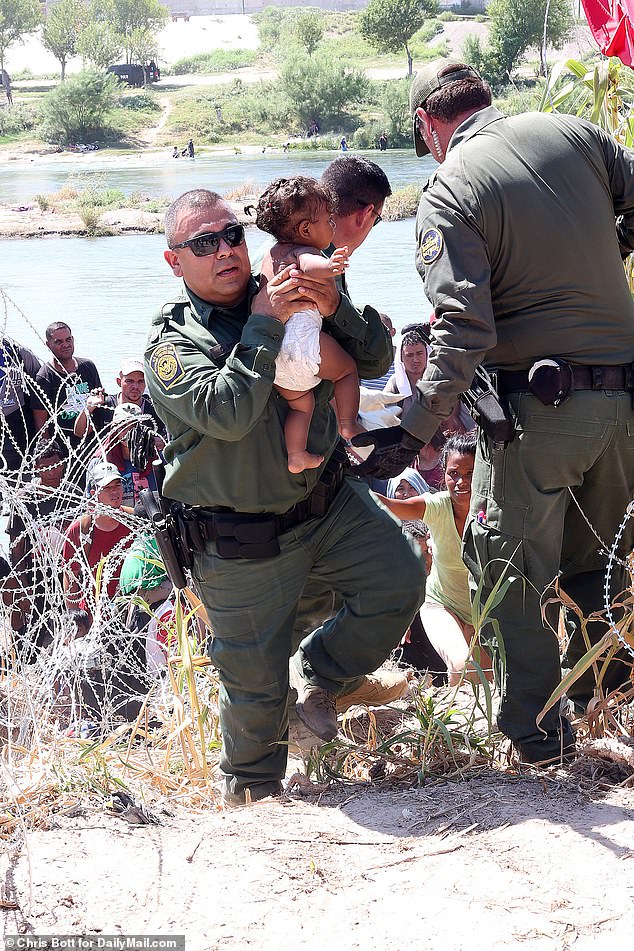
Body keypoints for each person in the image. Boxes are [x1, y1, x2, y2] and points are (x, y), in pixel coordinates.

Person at [354, 60, 634, 764]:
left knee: (509, 569)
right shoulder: (578, 133)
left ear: (429, 125)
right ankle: (612, 709)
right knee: (605, 565)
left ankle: (538, 739)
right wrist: (608, 249)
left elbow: (464, 329)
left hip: (536, 413)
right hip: (623, 403)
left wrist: (411, 431)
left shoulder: (451, 187)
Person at [144, 188, 424, 804]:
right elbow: (231, 412)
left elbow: (372, 356)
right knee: (255, 701)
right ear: (175, 261)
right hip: (241, 544)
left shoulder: (291, 279)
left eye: (231, 235)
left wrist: (332, 304)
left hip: (327, 508)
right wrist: (268, 319)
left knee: (398, 583)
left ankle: (320, 678)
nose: (224, 251)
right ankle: (254, 808)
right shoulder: (171, 348)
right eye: (202, 243)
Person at [251, 176, 363, 471]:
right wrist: (330, 265)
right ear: (305, 229)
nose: (333, 226)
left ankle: (296, 455)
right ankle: (349, 424)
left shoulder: (269, 256)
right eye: (328, 220)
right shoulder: (305, 251)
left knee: (301, 406)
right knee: (346, 371)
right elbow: (308, 263)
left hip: (274, 355)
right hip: (302, 341)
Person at [380, 433, 493, 685]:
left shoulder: (495, 511)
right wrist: (354, 489)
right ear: (444, 474)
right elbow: (392, 505)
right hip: (442, 604)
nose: (461, 481)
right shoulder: (438, 506)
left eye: (470, 473)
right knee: (464, 666)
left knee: (489, 682)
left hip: (484, 613)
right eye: (454, 473)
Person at [32, 322, 102, 460]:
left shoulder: (88, 366)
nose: (65, 345)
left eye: (68, 339)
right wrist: (49, 455)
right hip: (65, 448)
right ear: (48, 345)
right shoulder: (45, 377)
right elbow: (41, 424)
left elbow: (100, 404)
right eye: (58, 342)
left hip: (92, 442)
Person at [73, 357, 166, 445]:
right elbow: (79, 432)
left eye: (141, 381)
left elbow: (167, 437)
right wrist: (89, 407)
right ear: (119, 382)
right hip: (109, 459)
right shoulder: (106, 405)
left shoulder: (154, 409)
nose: (135, 386)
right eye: (129, 381)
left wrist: (161, 442)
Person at [85, 402, 159, 508]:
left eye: (133, 426)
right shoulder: (100, 461)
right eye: (122, 426)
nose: (128, 432)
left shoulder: (156, 458)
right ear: (115, 429)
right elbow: (90, 504)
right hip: (117, 522)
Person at [0, 336, 42, 481]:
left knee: (14, 480)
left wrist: (42, 433)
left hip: (16, 428)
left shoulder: (17, 352)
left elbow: (39, 389)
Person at [383, 324, 430, 416]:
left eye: (419, 353)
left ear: (427, 353)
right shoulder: (395, 384)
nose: (415, 360)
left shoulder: (437, 381)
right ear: (401, 357)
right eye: (409, 355)